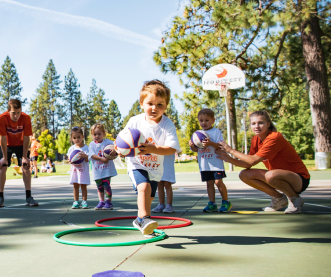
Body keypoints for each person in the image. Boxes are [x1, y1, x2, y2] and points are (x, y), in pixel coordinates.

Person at [216, 110, 310, 214]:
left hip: (299, 179)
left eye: (260, 123)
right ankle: (278, 199)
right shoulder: (255, 140)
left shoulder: (274, 137)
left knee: (270, 175)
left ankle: (295, 199)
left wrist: (230, 150)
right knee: (244, 174)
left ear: (268, 124)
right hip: (278, 178)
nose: (257, 126)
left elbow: (252, 160)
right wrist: (229, 159)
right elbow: (248, 164)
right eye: (253, 123)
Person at [119, 79, 180, 237]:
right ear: (142, 103)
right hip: (136, 163)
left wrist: (154, 149)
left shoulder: (167, 125)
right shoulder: (135, 121)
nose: (154, 108)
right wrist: (119, 148)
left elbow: (172, 148)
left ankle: (141, 221)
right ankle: (145, 218)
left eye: (160, 104)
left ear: (166, 106)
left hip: (155, 169)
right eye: (150, 103)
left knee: (150, 197)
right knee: (143, 187)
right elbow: (122, 139)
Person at [189, 108, 231, 213]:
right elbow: (196, 149)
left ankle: (226, 202)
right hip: (204, 164)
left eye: (207, 120)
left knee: (218, 182)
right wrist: (192, 146)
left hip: (216, 163)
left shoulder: (216, 132)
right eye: (201, 120)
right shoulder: (197, 134)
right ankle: (212, 203)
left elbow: (220, 146)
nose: (204, 123)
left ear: (213, 120)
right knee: (209, 183)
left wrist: (210, 143)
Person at [0, 99, 38, 207]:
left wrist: (25, 156)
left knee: (26, 166)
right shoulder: (2, 118)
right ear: (8, 111)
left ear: (21, 110)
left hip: (21, 145)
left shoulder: (26, 118)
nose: (16, 116)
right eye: (13, 113)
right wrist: (4, 157)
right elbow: (2, 138)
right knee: (2, 166)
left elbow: (26, 138)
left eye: (18, 112)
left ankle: (28, 197)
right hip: (6, 144)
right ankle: (0, 196)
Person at [89, 123, 117, 210]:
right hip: (97, 171)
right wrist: (102, 159)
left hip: (106, 170)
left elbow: (116, 148)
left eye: (99, 134)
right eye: (95, 134)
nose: (97, 136)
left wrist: (114, 151)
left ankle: (109, 202)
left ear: (103, 134)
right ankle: (101, 201)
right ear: (92, 135)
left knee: (106, 185)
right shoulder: (92, 144)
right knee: (99, 187)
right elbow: (92, 155)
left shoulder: (108, 142)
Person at [67, 126, 90, 209]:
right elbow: (69, 159)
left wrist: (85, 156)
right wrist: (70, 160)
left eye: (79, 137)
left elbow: (88, 160)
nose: (77, 139)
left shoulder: (86, 148)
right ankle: (76, 201)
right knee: (75, 186)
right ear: (72, 138)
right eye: (74, 138)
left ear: (83, 137)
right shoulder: (72, 148)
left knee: (83, 186)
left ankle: (84, 201)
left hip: (83, 171)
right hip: (75, 171)